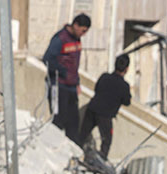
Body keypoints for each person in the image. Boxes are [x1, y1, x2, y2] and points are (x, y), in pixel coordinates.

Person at [43, 14, 89, 143]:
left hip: (71, 87)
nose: (83, 34)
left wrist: (77, 82)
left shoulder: (77, 40)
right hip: (58, 85)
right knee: (59, 119)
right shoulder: (60, 38)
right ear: (76, 25)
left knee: (73, 122)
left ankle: (73, 149)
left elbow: (74, 64)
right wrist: (63, 72)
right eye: (83, 30)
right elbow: (47, 59)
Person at [78, 54, 131, 160]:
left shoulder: (104, 77)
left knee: (82, 136)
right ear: (126, 69)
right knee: (106, 141)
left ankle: (75, 153)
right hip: (105, 116)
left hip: (92, 109)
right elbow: (127, 102)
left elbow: (96, 89)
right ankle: (100, 162)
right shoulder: (124, 86)